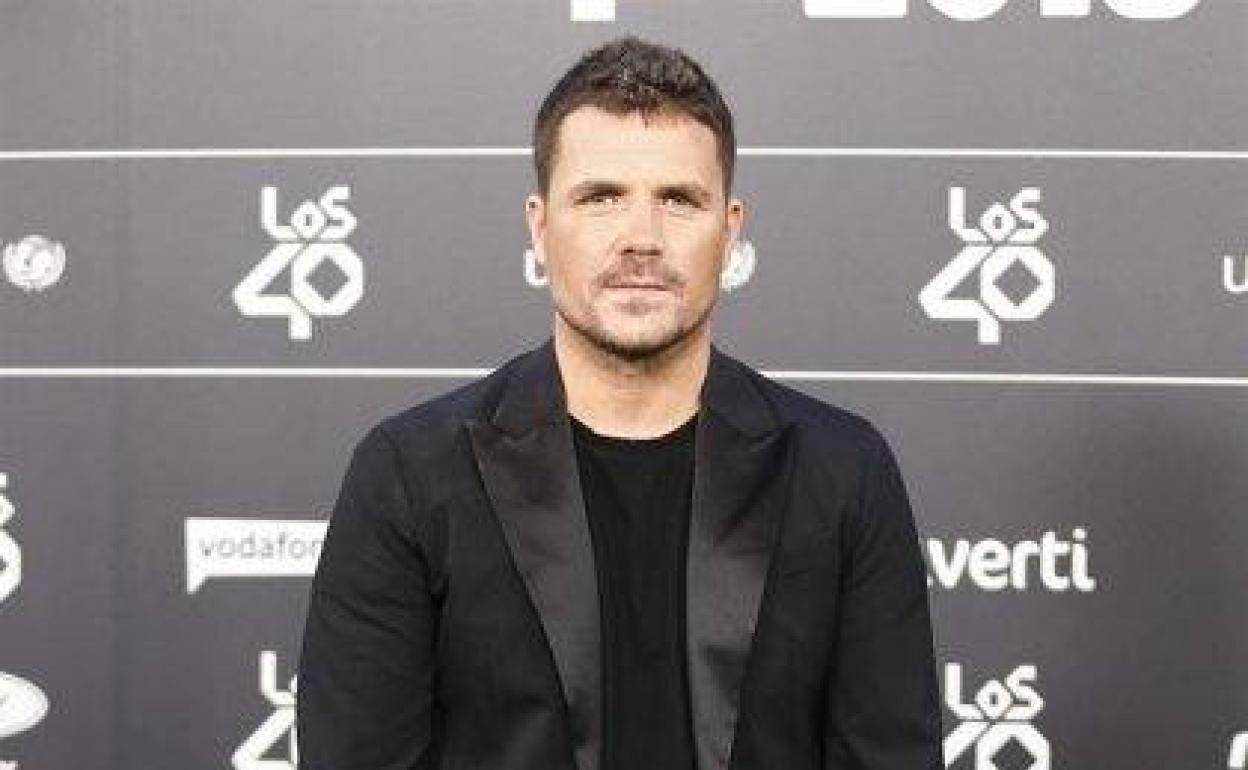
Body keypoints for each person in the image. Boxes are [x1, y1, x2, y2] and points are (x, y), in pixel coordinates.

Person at [296, 35, 941, 770]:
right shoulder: (409, 474)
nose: (641, 238)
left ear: (731, 230)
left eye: (679, 200)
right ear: (540, 225)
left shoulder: (844, 473)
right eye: (600, 198)